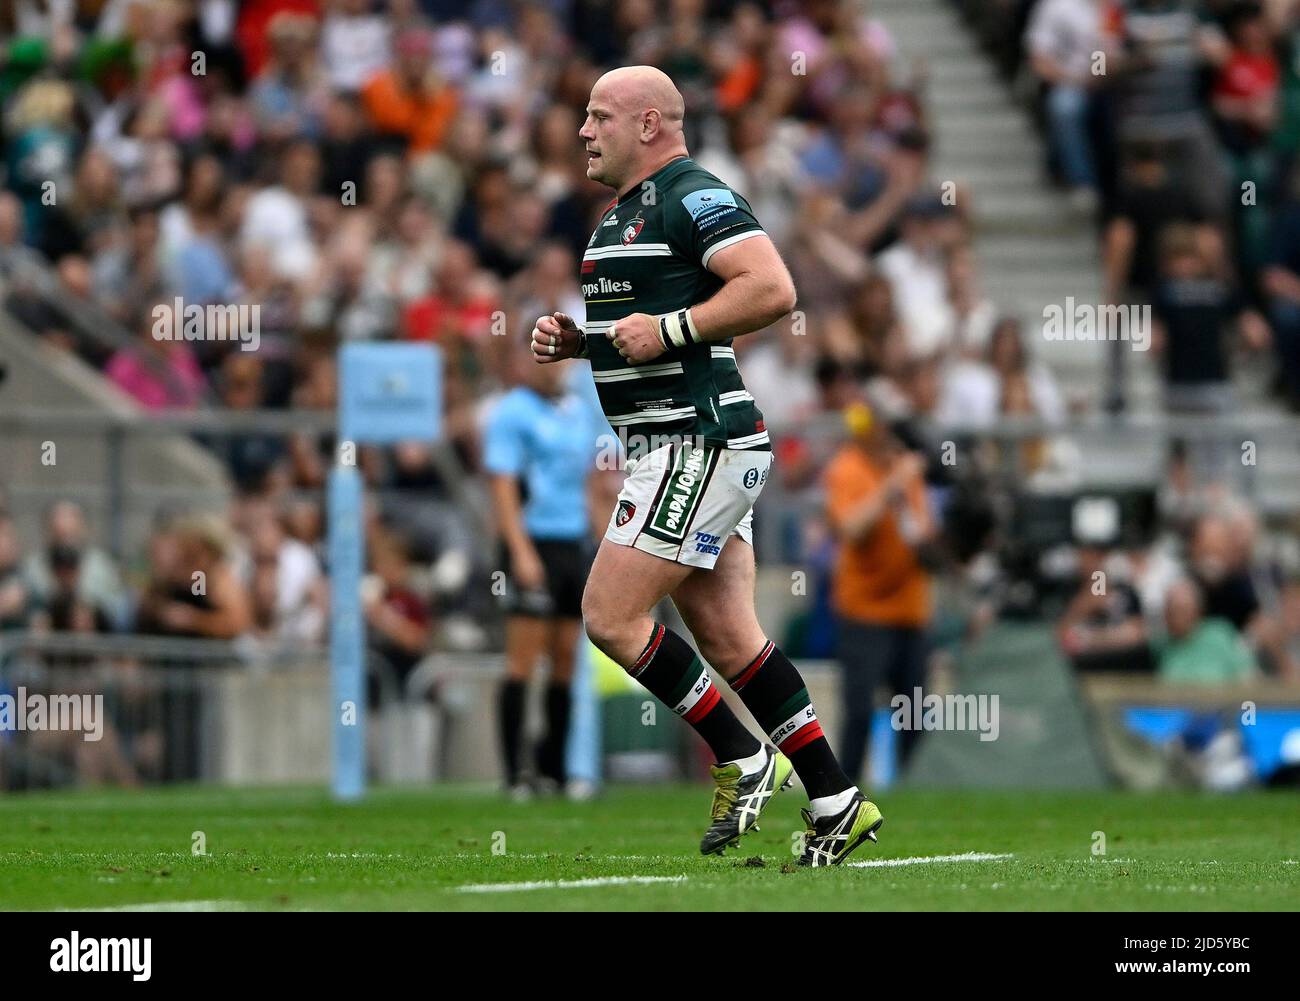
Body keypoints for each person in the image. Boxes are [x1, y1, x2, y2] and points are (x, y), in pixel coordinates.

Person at [531, 66, 882, 866]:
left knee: (609, 617)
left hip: (698, 441)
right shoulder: (623, 214)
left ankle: (741, 754)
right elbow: (641, 332)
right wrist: (579, 339)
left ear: (650, 123)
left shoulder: (693, 192)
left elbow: (772, 288)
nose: (583, 131)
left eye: (599, 117)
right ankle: (835, 800)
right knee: (730, 638)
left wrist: (676, 326)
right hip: (676, 444)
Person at [484, 341, 603, 799]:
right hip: (532, 541)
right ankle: (515, 773)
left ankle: (554, 769)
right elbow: (502, 486)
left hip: (571, 543)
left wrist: (603, 538)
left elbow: (590, 481)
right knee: (523, 659)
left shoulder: (576, 411)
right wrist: (520, 551)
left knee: (566, 660)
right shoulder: (512, 412)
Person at [823, 401, 935, 784]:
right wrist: (893, 486)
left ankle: (912, 790)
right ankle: (844, 791)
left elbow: (922, 537)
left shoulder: (906, 469)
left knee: (915, 713)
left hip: (910, 609)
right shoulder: (848, 468)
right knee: (858, 711)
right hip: (865, 611)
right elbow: (851, 529)